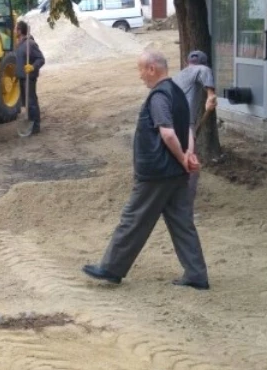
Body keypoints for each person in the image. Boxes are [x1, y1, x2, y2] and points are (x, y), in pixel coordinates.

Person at [82, 50, 209, 290]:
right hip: (177, 174)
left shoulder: (159, 96)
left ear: (152, 69)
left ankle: (111, 268)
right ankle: (197, 275)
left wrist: (183, 157)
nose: (140, 76)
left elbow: (168, 133)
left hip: (157, 173)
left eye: (141, 69)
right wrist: (189, 156)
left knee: (133, 219)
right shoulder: (179, 94)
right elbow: (188, 130)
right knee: (183, 223)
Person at [171, 50, 217, 206]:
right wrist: (210, 96)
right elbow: (203, 72)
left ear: (187, 62)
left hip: (170, 125)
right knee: (191, 167)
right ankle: (184, 207)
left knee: (177, 164)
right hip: (183, 126)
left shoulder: (178, 77)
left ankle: (171, 202)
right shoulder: (202, 69)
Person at [15, 20, 44, 134]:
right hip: (22, 77)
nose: (13, 31)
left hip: (29, 77)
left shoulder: (30, 44)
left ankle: (35, 126)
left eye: (15, 28)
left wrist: (32, 67)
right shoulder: (20, 44)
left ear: (20, 30)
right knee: (26, 102)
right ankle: (31, 122)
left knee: (31, 102)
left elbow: (41, 59)